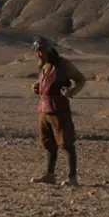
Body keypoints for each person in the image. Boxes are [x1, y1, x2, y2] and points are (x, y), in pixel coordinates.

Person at [29, 37, 84, 187]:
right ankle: (50, 175)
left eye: (40, 51)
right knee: (47, 142)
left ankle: (72, 177)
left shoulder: (63, 64)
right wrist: (36, 86)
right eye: (36, 51)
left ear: (47, 50)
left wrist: (71, 92)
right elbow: (45, 82)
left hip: (59, 108)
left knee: (66, 142)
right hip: (44, 108)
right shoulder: (44, 65)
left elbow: (81, 79)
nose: (38, 54)